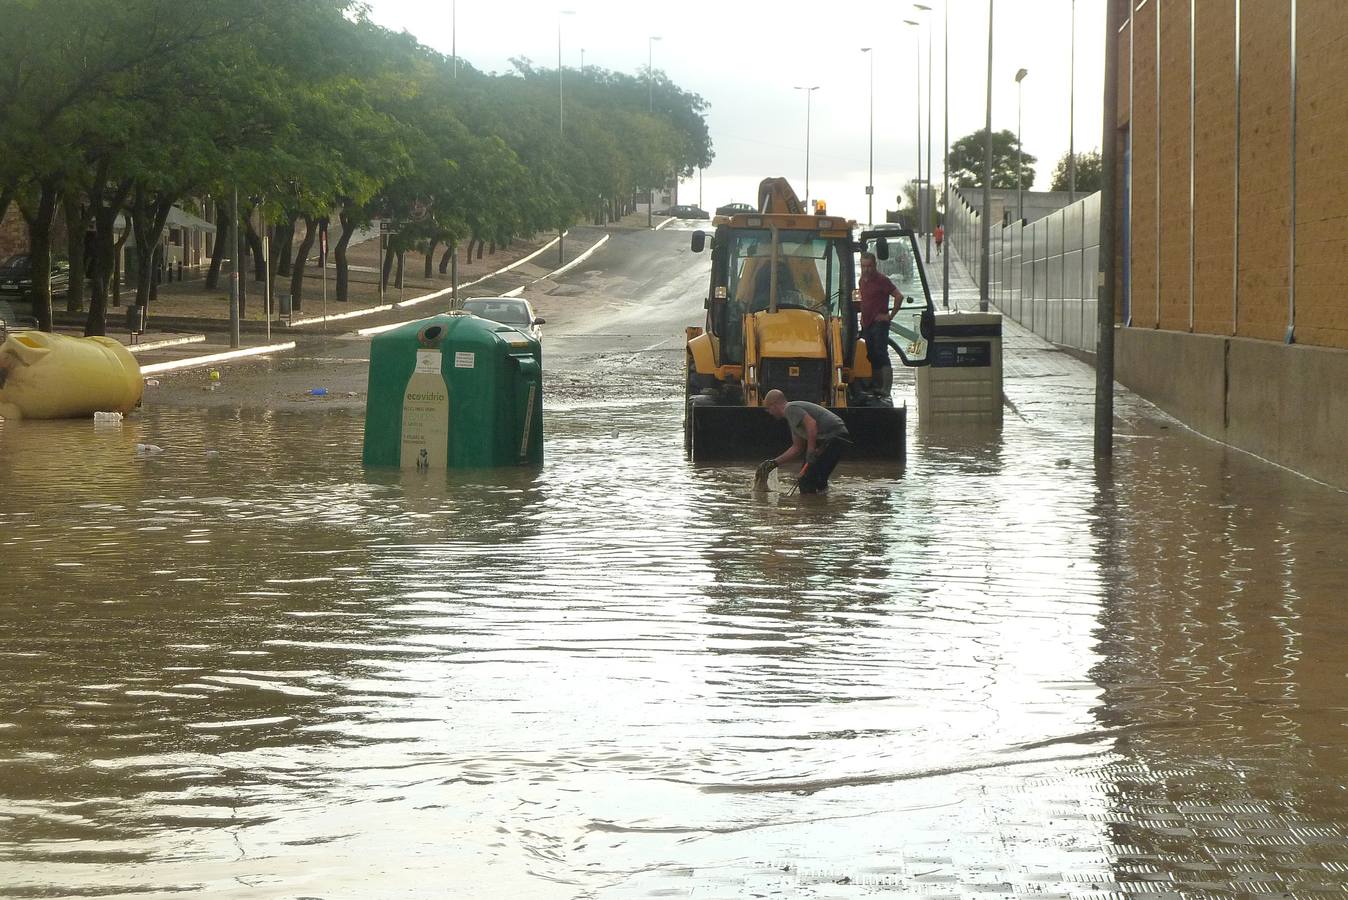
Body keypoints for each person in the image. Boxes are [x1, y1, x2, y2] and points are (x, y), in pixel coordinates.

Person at [755, 389, 851, 494]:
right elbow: (797, 447)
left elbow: (812, 425)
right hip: (832, 439)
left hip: (834, 437)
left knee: (807, 480)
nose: (769, 412)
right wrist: (774, 463)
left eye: (768, 409)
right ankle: (822, 505)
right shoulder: (793, 419)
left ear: (774, 405)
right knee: (816, 480)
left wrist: (810, 451)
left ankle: (811, 507)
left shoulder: (790, 409)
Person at [857, 250, 904, 401]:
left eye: (869, 266)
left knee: (881, 352)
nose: (866, 269)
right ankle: (876, 385)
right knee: (871, 354)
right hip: (867, 322)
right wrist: (862, 317)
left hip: (879, 323)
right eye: (863, 266)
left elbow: (899, 296)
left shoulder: (882, 280)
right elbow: (864, 301)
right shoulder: (862, 281)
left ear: (875, 265)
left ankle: (886, 387)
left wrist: (890, 316)